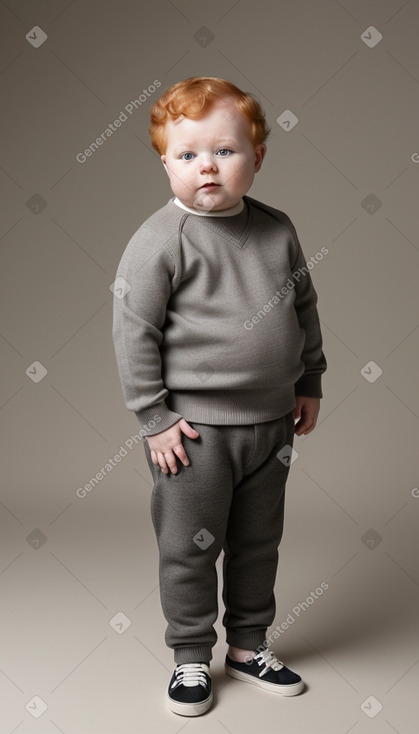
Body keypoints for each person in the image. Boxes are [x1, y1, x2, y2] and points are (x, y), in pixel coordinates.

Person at [112, 76, 327, 717]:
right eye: (187, 155)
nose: (206, 165)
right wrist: (154, 418)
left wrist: (310, 379)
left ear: (257, 158)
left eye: (226, 151)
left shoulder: (278, 230)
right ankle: (188, 658)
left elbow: (305, 308)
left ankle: (248, 645)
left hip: (271, 425)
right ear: (165, 164)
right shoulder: (161, 240)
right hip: (194, 434)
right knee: (191, 546)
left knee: (259, 541)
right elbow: (134, 330)